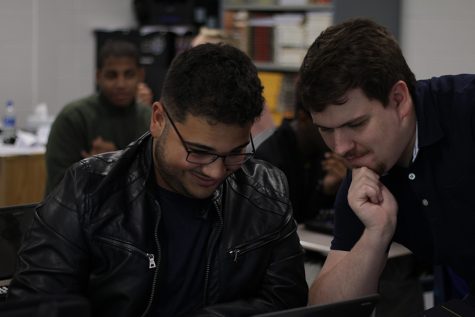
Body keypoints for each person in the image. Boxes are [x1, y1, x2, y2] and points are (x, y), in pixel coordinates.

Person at [8, 43, 308, 316]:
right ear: (158, 120)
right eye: (198, 151)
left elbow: (287, 301)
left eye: (235, 152)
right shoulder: (88, 188)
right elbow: (37, 304)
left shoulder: (266, 191)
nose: (216, 172)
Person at [298, 18, 475, 308]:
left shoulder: (467, 113)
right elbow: (326, 310)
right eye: (326, 129)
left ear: (399, 99)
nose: (341, 148)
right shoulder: (365, 171)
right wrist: (375, 235)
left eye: (356, 124)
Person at [44, 39, 152, 194]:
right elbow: (60, 188)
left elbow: (154, 184)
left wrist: (112, 164)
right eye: (111, 75)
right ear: (98, 76)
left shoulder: (149, 119)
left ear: (141, 75)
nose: (121, 84)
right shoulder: (73, 118)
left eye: (129, 75)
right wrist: (93, 168)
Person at [255, 98, 347, 223]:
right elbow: (284, 223)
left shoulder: (319, 151)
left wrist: (326, 190)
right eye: (327, 128)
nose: (337, 139)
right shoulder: (269, 160)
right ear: (304, 118)